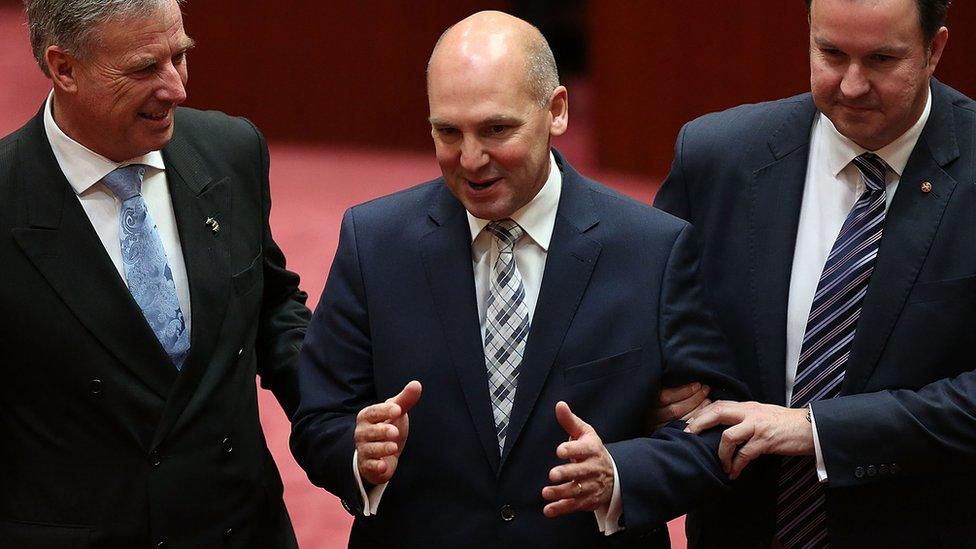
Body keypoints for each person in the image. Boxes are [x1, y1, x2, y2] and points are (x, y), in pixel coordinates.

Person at [290, 10, 747, 548]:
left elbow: (716, 429)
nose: (471, 159)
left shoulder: (653, 249)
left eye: (496, 129)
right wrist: (357, 450)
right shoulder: (374, 241)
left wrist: (618, 473)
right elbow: (318, 417)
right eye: (447, 132)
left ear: (555, 112)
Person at [654, 0, 976, 546]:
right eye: (830, 53)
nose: (851, 85)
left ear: (934, 50)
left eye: (881, 59)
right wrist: (655, 387)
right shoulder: (717, 157)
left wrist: (817, 431)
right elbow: (650, 319)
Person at [0, 0, 310, 546]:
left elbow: (270, 308)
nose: (177, 89)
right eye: (145, 68)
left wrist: (336, 413)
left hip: (239, 526)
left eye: (180, 57)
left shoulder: (230, 149)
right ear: (63, 68)